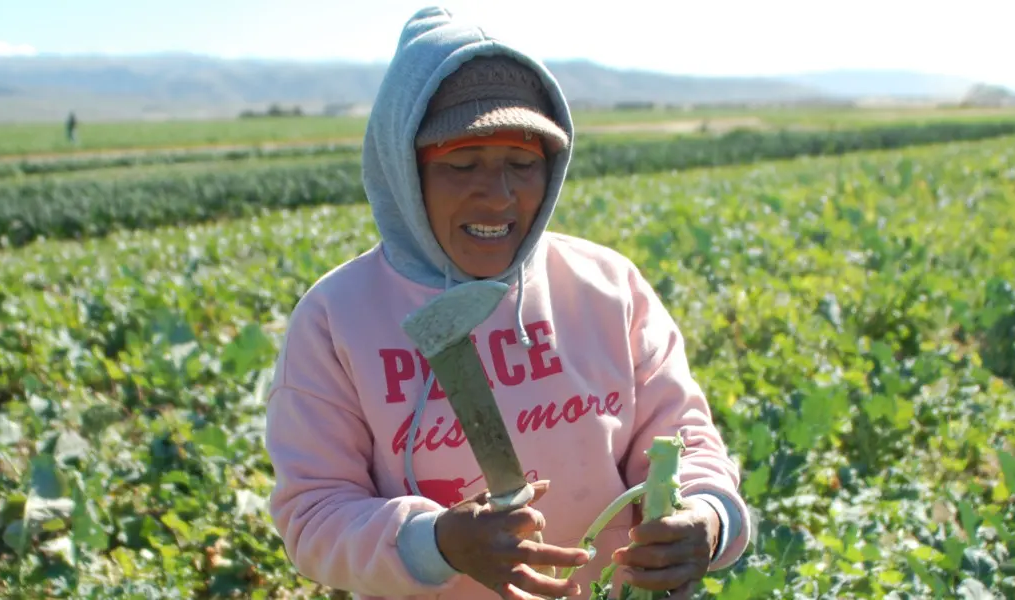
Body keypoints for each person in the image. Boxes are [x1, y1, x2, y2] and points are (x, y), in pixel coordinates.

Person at [263, 7, 752, 600]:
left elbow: (686, 438)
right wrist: (436, 542)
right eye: (462, 164)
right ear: (404, 170)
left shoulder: (607, 287)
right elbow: (313, 519)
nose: (497, 196)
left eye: (522, 165)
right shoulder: (337, 318)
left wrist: (709, 518)